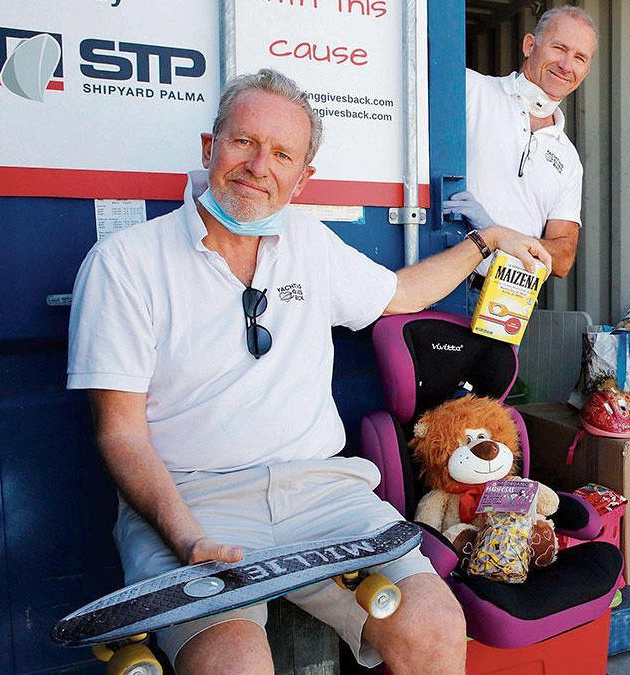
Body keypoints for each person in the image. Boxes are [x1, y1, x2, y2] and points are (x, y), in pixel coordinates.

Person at [67, 68, 550, 675]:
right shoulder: (124, 263)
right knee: (230, 665)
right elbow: (120, 434)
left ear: (303, 178)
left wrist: (486, 242)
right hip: (191, 500)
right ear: (208, 147)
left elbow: (399, 292)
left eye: (282, 154)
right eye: (243, 142)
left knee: (433, 626)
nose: (258, 165)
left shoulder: (308, 242)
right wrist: (186, 536)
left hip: (324, 493)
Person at [443, 5, 597, 282]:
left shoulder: (568, 158)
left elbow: (562, 258)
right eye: (559, 48)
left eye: (579, 58)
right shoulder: (469, 89)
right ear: (529, 45)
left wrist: (496, 234)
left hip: (509, 298)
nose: (566, 65)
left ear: (585, 71)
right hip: (443, 282)